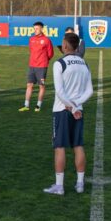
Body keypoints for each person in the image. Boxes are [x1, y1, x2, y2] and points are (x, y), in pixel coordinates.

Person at [43, 33, 93, 195]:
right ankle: (80, 184)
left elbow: (60, 92)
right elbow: (90, 91)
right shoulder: (84, 63)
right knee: (78, 145)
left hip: (62, 110)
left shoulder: (60, 63)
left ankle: (59, 186)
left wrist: (71, 107)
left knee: (60, 147)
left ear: (65, 45)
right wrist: (77, 106)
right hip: (78, 111)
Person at [19, 21, 54, 112]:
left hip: (42, 66)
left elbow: (50, 54)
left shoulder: (46, 40)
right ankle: (26, 105)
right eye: (34, 29)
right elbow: (31, 50)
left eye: (37, 28)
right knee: (29, 85)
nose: (35, 30)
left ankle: (38, 105)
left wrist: (44, 60)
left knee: (41, 86)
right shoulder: (31, 39)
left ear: (42, 29)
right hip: (32, 65)